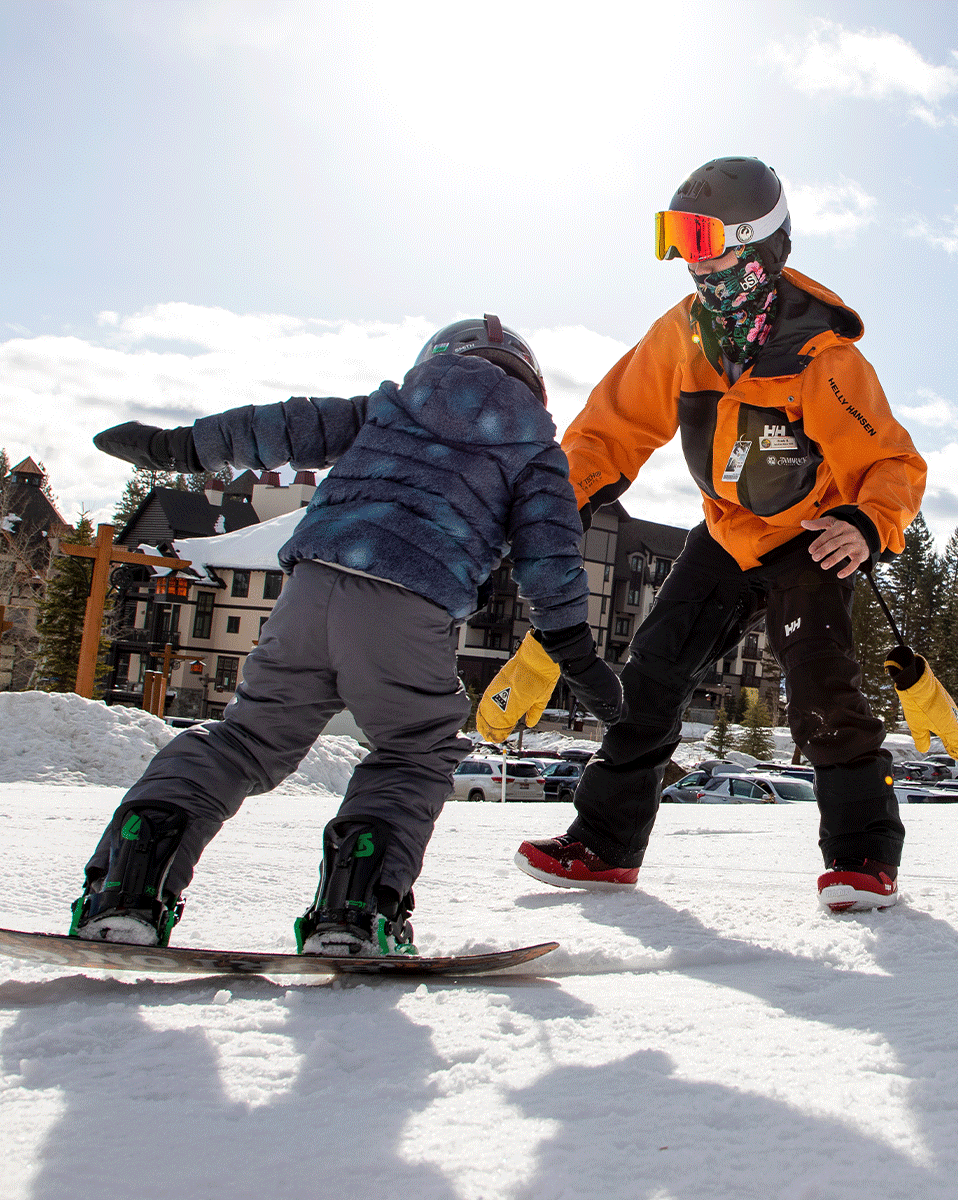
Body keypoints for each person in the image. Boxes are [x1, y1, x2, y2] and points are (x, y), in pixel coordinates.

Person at [73, 316, 624, 955]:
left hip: (311, 586)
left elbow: (279, 426)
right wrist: (574, 653)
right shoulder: (533, 452)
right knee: (413, 752)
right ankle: (356, 911)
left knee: (247, 739)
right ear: (531, 385)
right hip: (411, 604)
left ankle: (129, 884)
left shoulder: (388, 407)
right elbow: (549, 558)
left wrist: (179, 448)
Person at [488, 157, 927, 912]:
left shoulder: (823, 361)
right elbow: (608, 433)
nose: (689, 258)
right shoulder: (683, 336)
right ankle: (604, 845)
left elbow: (892, 461)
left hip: (809, 536)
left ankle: (863, 857)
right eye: (675, 239)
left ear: (757, 244)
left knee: (819, 684)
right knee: (650, 675)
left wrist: (866, 521)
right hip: (726, 533)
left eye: (700, 237)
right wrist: (553, 505)